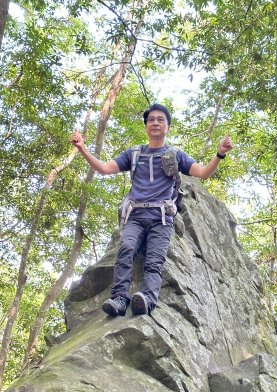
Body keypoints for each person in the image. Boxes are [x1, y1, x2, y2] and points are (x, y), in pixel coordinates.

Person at [71, 103, 233, 317]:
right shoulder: (134, 154)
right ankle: (120, 299)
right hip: (135, 216)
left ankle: (147, 299)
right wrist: (82, 148)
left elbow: (202, 173)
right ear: (146, 126)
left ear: (168, 126)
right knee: (126, 249)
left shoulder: (176, 155)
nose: (155, 123)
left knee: (154, 260)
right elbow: (104, 169)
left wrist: (220, 154)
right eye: (151, 120)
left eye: (160, 120)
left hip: (162, 218)